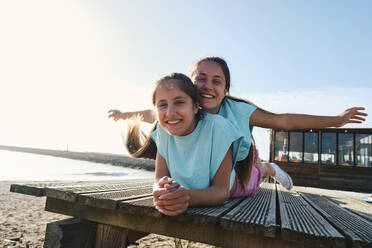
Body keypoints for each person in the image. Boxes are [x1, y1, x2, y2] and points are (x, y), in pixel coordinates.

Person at [108, 56, 367, 192]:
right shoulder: (183, 109)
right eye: (201, 79)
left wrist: (337, 120)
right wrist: (124, 114)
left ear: (226, 88)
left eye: (216, 81)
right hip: (206, 167)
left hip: (241, 163)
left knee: (250, 179)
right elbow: (154, 112)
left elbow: (282, 120)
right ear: (190, 84)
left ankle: (267, 168)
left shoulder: (239, 110)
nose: (208, 86)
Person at [150, 72, 275, 216]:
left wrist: (186, 197)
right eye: (162, 104)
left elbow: (221, 192)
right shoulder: (162, 130)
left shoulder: (218, 127)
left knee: (255, 177)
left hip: (235, 186)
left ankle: (268, 168)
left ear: (196, 106)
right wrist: (161, 189)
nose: (170, 113)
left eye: (179, 102)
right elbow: (158, 179)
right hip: (195, 187)